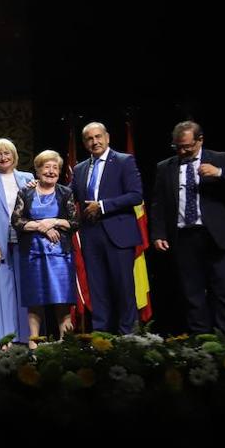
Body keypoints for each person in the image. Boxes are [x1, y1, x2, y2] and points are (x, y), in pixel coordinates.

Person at [150, 121, 225, 342]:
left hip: (215, 236)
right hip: (184, 237)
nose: (182, 151)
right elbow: (158, 203)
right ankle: (201, 341)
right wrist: (158, 234)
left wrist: (220, 173)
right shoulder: (165, 167)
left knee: (224, 291)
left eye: (187, 146)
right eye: (178, 147)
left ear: (200, 140)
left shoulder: (218, 159)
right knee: (192, 293)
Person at [71, 121, 144, 334]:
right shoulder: (80, 168)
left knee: (123, 288)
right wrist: (40, 187)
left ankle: (127, 334)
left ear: (107, 137)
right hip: (91, 236)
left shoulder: (124, 161)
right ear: (84, 143)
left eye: (98, 137)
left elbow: (136, 195)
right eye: (89, 139)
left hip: (119, 235)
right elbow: (68, 195)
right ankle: (101, 334)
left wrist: (102, 206)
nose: (95, 142)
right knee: (98, 289)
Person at [12, 150, 79, 346]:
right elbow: (17, 221)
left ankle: (65, 341)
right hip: (33, 254)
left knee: (62, 300)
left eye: (55, 167)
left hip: (61, 256)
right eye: (46, 167)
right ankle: (34, 341)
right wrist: (42, 227)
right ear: (38, 170)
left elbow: (74, 222)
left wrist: (53, 221)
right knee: (35, 299)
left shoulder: (65, 192)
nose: (51, 171)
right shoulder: (26, 192)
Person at [0, 138, 35, 348]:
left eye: (7, 153)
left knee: (27, 287)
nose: (3, 157)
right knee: (1, 289)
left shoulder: (28, 178)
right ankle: (6, 338)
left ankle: (30, 336)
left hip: (26, 238)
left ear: (14, 156)